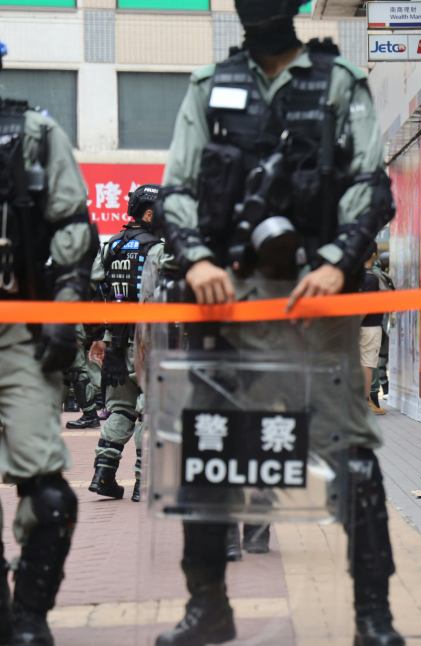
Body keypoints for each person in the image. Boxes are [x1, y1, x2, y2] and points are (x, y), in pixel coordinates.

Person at [154, 2, 401, 644]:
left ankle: (374, 618)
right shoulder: (210, 85)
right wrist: (198, 257)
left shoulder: (339, 82)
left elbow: (370, 184)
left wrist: (335, 260)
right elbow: (175, 188)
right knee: (210, 453)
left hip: (314, 304)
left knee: (350, 456)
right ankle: (208, 605)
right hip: (228, 303)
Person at [0, 39, 98, 644]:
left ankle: (29, 618)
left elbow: (72, 228)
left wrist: (64, 315)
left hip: (20, 330)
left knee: (50, 496)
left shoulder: (34, 135)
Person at [87, 184, 165, 503]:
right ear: (148, 214)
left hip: (115, 338)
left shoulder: (111, 246)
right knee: (152, 406)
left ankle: (103, 473)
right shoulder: (158, 249)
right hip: (149, 339)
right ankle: (142, 483)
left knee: (119, 407)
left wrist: (98, 336)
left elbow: (94, 286)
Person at [360, 243, 386, 414]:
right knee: (368, 365)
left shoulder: (352, 276)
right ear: (374, 255)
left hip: (354, 326)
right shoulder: (372, 279)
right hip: (370, 327)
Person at [369, 251, 394, 409]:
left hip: (375, 323)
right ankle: (376, 394)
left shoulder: (374, 274)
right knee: (376, 360)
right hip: (375, 323)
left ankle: (381, 390)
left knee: (377, 359)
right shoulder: (378, 275)